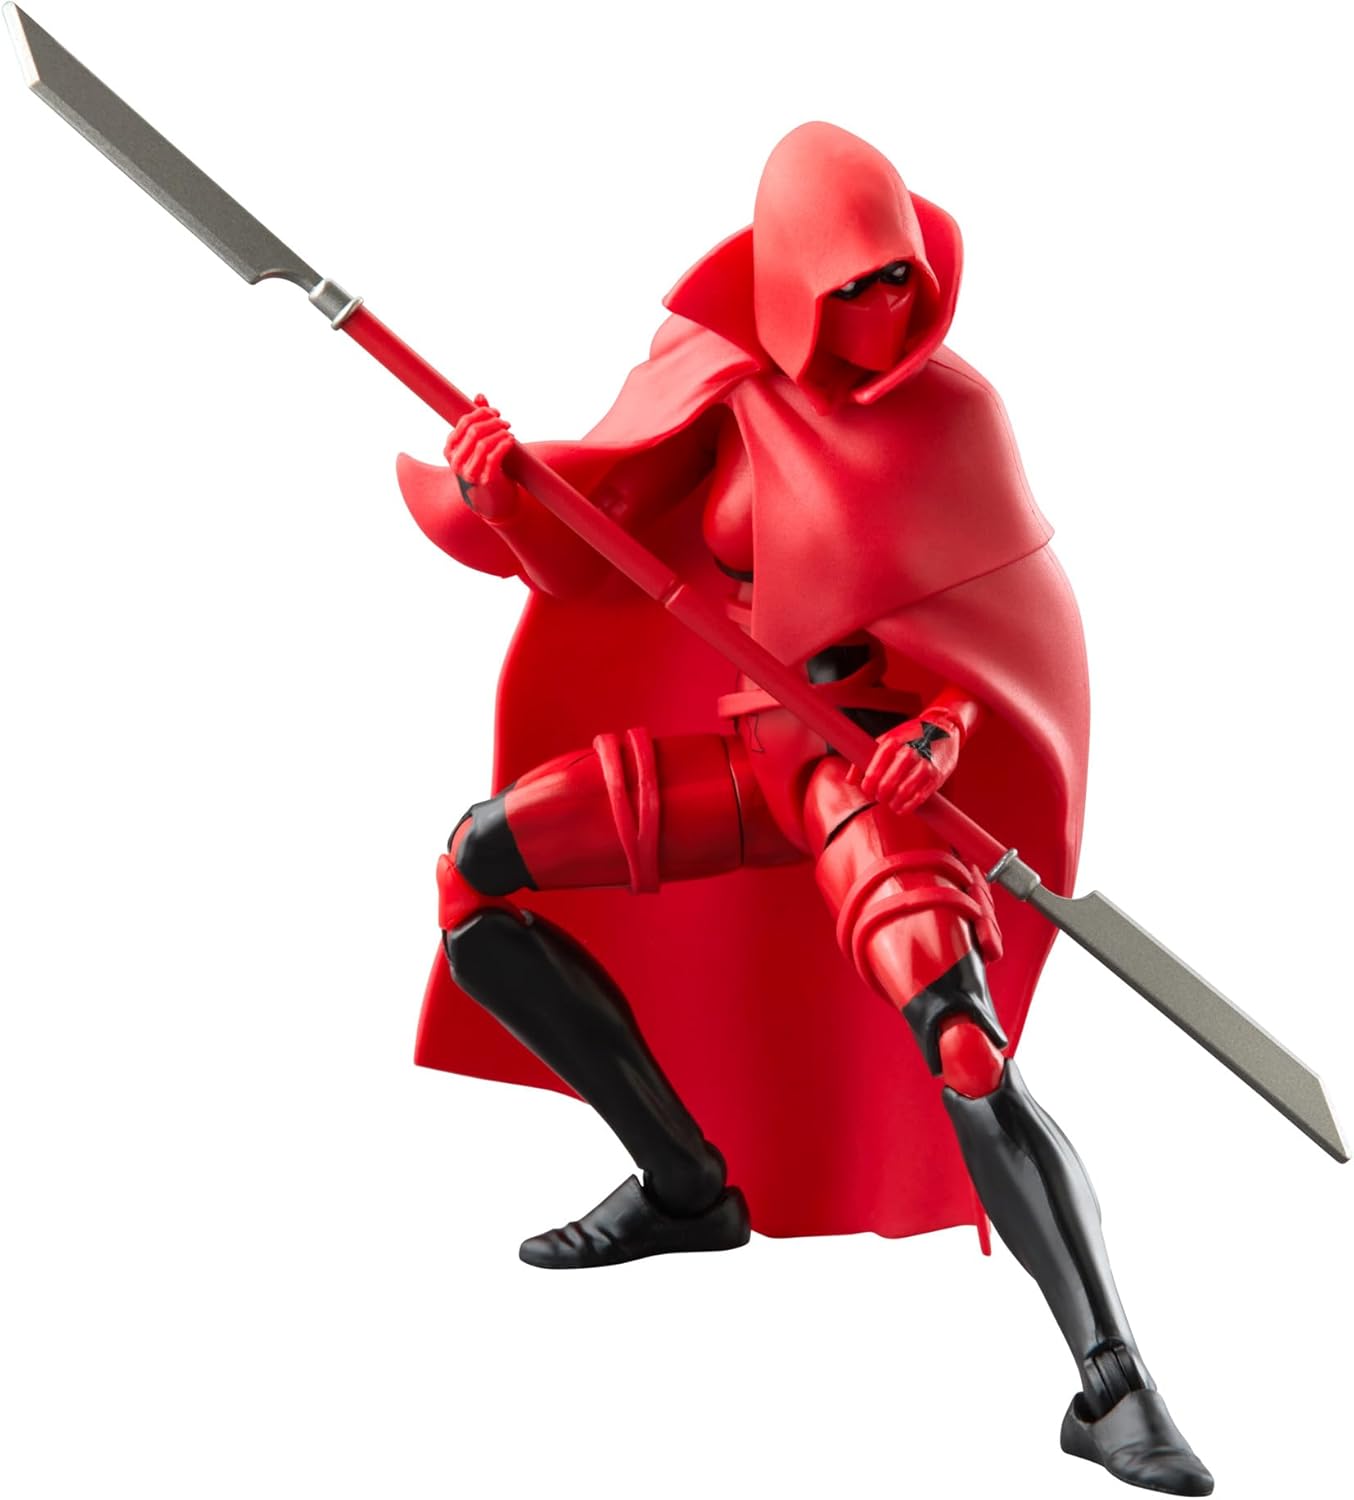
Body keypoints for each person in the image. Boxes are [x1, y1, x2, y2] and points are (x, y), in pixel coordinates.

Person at [396, 122, 1213, 1495]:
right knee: (477, 874)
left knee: (962, 1043)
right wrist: (510, 497)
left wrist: (941, 734)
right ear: (787, 289)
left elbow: (1004, 632)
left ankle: (1111, 1381)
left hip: (862, 777)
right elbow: (595, 560)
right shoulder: (717, 389)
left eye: (898, 278)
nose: (884, 307)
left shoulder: (954, 418)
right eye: (850, 285)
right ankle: (683, 1183)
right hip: (742, 759)